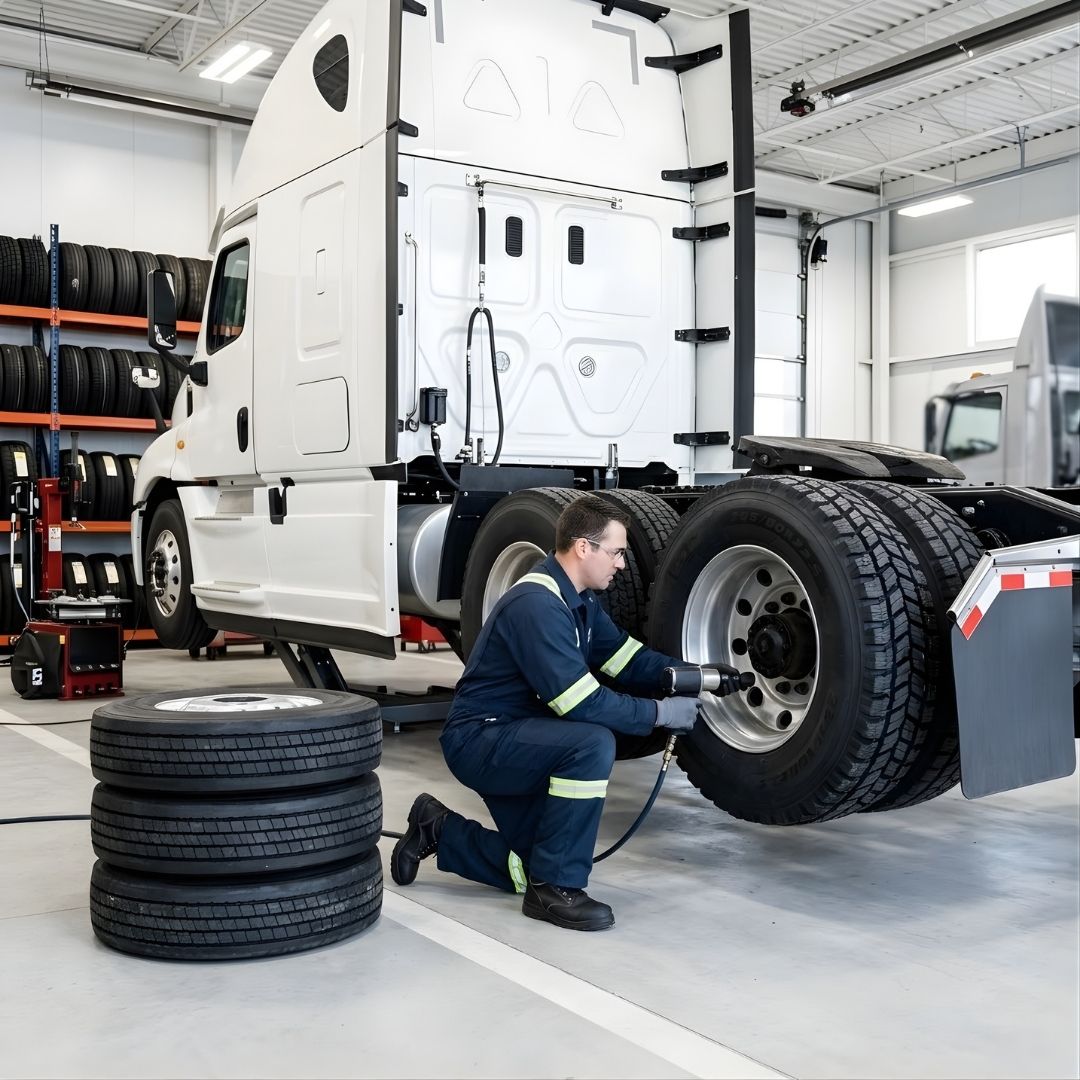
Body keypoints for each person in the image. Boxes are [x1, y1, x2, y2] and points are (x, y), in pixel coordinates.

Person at [390, 494, 700, 932]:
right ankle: (556, 890)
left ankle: (437, 829)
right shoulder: (538, 604)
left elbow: (626, 659)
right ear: (582, 547)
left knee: (528, 864)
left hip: (518, 735)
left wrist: (694, 676)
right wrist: (658, 714)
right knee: (591, 742)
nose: (621, 564)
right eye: (615, 552)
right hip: (482, 739)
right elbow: (580, 702)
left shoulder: (580, 602)